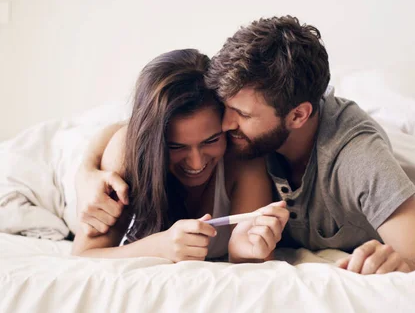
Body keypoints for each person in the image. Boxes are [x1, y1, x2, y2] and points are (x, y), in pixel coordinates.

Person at [76, 16, 415, 274]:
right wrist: (87, 168)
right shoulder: (235, 133)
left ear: (296, 116)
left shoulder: (354, 159)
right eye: (225, 109)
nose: (225, 127)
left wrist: (404, 266)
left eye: (239, 116)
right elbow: (144, 126)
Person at [71, 49, 289, 263]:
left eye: (211, 140)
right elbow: (83, 256)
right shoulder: (125, 152)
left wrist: (245, 251)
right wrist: (158, 247)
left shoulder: (243, 157)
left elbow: (251, 258)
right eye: (175, 146)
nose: (196, 162)